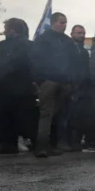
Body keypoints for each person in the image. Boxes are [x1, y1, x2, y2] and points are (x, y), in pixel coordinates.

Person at [29, 12, 76, 157]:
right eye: (61, 22)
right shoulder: (44, 39)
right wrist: (40, 80)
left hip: (64, 82)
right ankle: (42, 147)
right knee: (46, 115)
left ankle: (54, 145)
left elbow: (73, 61)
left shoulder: (67, 41)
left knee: (59, 115)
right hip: (48, 82)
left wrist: (70, 80)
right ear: (53, 23)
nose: (64, 25)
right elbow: (35, 60)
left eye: (66, 22)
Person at [0, 18, 32, 155]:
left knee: (4, 116)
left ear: (13, 30)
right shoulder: (30, 45)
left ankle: (6, 144)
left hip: (8, 88)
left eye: (6, 28)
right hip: (24, 89)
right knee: (20, 117)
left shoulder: (4, 45)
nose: (4, 31)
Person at [56, 24, 89, 152]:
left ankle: (74, 141)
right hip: (69, 86)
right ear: (72, 34)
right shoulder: (67, 48)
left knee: (76, 117)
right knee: (65, 116)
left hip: (81, 88)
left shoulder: (84, 51)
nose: (81, 35)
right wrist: (70, 85)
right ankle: (62, 141)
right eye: (78, 33)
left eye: (83, 33)